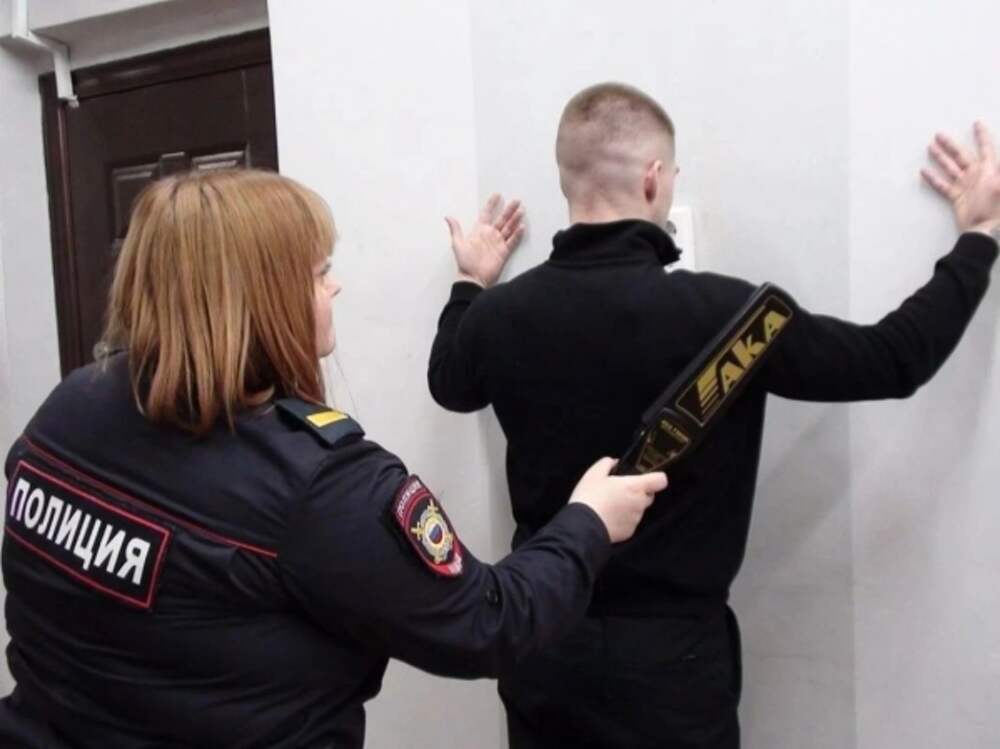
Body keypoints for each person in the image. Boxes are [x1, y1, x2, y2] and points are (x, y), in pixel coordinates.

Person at [0, 168, 668, 748]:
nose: (335, 288)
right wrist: (589, 520)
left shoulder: (71, 406)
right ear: (264, 299)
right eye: (319, 273)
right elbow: (490, 620)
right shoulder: (320, 483)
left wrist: (470, 283)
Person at [428, 82, 1000, 748]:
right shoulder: (730, 318)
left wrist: (470, 283)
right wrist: (976, 239)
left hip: (540, 644)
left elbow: (449, 384)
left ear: (566, 181)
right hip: (674, 670)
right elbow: (893, 360)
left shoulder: (499, 316)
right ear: (653, 178)